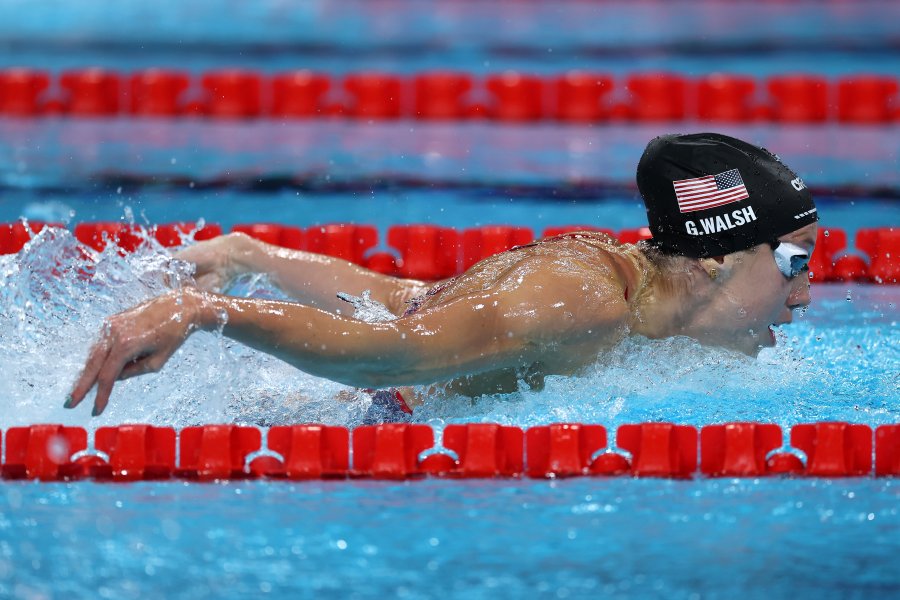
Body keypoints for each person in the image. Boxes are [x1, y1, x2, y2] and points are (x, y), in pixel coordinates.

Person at [65, 133, 818, 417]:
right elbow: (393, 352)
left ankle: (242, 256)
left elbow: (416, 300)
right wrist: (202, 312)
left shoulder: (625, 286)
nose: (806, 293)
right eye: (795, 262)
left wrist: (258, 262)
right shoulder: (581, 301)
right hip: (367, 418)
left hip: (385, 399)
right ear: (718, 255)